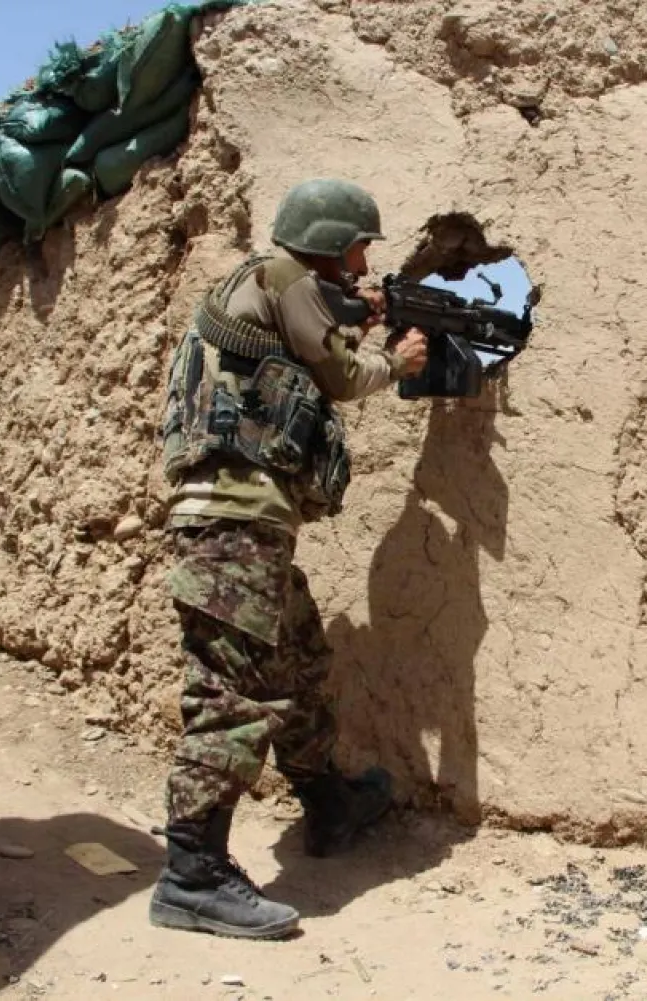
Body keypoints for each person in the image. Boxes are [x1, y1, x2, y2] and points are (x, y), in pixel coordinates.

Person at [147, 178, 429, 940]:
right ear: (335, 242)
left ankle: (329, 802)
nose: (366, 259)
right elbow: (335, 378)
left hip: (251, 528)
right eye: (360, 245)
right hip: (233, 527)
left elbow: (306, 357)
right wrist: (397, 363)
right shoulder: (290, 278)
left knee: (299, 659)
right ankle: (192, 874)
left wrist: (359, 324)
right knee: (231, 694)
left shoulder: (268, 285)